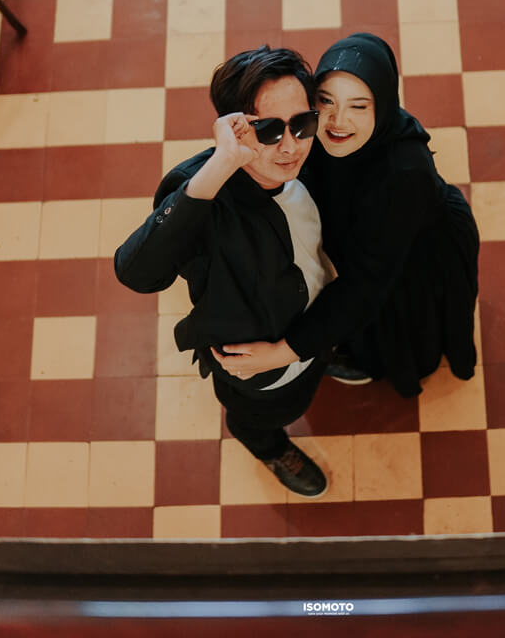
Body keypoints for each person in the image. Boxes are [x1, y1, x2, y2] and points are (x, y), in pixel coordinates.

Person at [114, 46, 335, 497]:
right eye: (268, 130)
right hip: (259, 362)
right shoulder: (206, 189)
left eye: (302, 124)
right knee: (262, 415)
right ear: (234, 127)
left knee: (317, 368)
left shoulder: (312, 161)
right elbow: (137, 273)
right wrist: (221, 163)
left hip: (315, 324)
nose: (290, 146)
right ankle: (269, 448)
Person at [213, 32, 479, 398]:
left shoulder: (405, 174)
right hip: (365, 242)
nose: (338, 121)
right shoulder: (309, 128)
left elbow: (365, 285)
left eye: (359, 106)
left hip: (418, 255)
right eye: (326, 101)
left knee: (399, 325)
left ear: (381, 106)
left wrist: (282, 353)